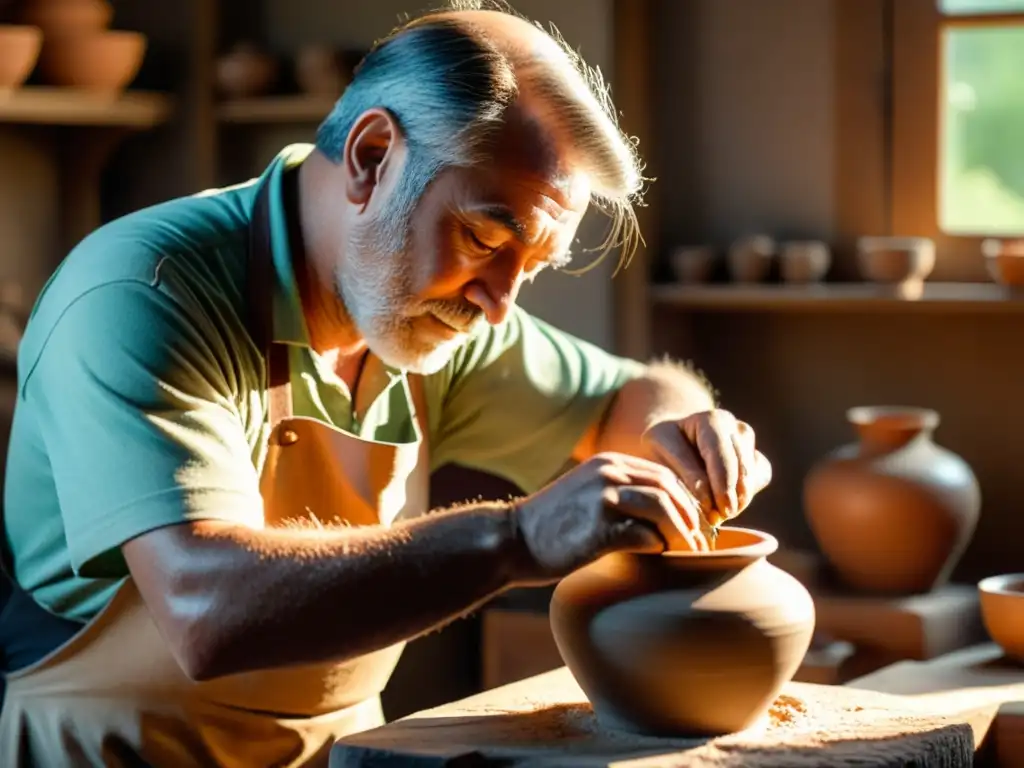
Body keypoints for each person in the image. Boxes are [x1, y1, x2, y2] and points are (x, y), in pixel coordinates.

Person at [0, 3, 772, 766]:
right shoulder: (144, 292)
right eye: (482, 238)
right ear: (372, 157)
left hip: (345, 752)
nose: (499, 304)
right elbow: (208, 611)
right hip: (118, 748)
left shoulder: (425, 311)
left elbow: (629, 397)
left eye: (529, 269)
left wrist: (691, 428)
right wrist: (518, 537)